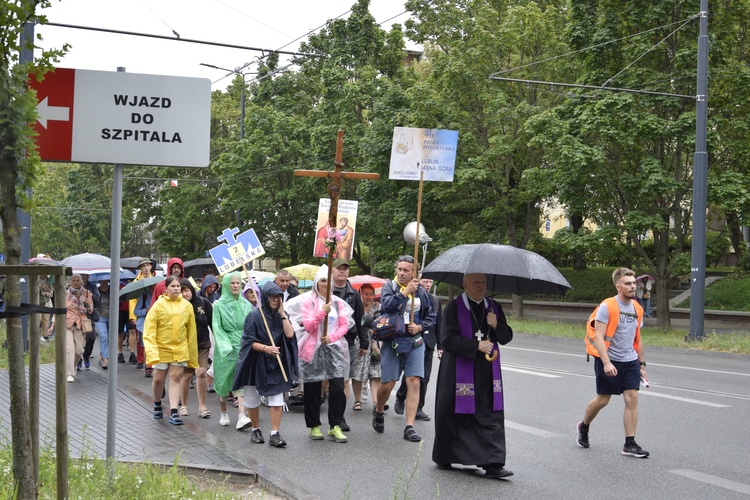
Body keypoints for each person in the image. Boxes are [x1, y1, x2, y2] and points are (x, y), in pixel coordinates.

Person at [432, 273, 513, 478]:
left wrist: (496, 325)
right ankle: (447, 455)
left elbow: (506, 337)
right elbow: (447, 339)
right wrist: (476, 345)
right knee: (454, 412)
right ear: (465, 284)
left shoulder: (494, 308)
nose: (481, 286)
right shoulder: (454, 307)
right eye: (476, 282)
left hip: (487, 371)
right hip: (459, 369)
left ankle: (493, 463)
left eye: (484, 282)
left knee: (490, 413)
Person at [577, 267, 649, 458]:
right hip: (609, 358)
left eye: (634, 283)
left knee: (632, 396)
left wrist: (642, 365)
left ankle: (630, 443)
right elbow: (599, 337)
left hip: (630, 359)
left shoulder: (638, 308)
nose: (633, 287)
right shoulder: (607, 306)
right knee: (603, 400)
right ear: (618, 286)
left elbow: (638, 338)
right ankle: (583, 426)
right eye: (628, 283)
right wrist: (607, 363)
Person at [286, 265, 354, 443]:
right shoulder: (309, 301)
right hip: (313, 349)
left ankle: (335, 426)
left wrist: (331, 337)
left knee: (338, 388)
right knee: (313, 388)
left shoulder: (338, 303)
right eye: (322, 280)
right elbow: (308, 326)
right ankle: (314, 425)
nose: (325, 284)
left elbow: (345, 325)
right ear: (316, 283)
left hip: (334, 348)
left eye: (327, 280)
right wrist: (321, 314)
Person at [373, 255, 435, 443]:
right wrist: (405, 292)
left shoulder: (422, 293)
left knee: (415, 382)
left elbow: (431, 316)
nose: (401, 273)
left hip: (415, 342)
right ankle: (379, 410)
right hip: (393, 340)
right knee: (388, 384)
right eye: (399, 269)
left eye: (405, 270)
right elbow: (387, 306)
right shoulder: (389, 287)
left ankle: (409, 427)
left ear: (413, 272)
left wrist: (420, 327)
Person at [233, 281, 299, 448]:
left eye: (279, 297)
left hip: (275, 363)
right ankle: (256, 430)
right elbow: (247, 342)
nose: (277, 300)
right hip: (255, 362)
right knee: (252, 398)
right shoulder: (254, 316)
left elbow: (290, 335)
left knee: (277, 397)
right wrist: (265, 348)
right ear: (266, 298)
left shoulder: (281, 315)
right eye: (273, 297)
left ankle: (275, 433)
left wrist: (283, 314)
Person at [143, 276, 198, 425]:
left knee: (175, 378)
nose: (176, 288)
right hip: (161, 348)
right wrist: (152, 351)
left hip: (180, 349)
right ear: (166, 289)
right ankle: (157, 402)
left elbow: (191, 331)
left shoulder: (187, 306)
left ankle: (174, 412)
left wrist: (192, 354)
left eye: (178, 286)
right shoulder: (158, 306)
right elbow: (149, 330)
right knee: (158, 379)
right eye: (172, 286)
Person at [394, 277, 442, 421]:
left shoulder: (435, 299)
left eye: (431, 282)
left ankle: (419, 408)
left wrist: (441, 346)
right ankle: (400, 397)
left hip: (429, 342)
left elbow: (439, 323)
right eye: (425, 281)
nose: (428, 285)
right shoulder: (413, 296)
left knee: (425, 377)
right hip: (414, 340)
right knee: (412, 375)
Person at [212, 271, 254, 429]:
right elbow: (217, 327)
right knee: (223, 383)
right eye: (233, 283)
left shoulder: (246, 304)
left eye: (238, 283)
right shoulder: (218, 305)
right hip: (226, 349)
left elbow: (252, 325)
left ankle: (242, 416)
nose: (236, 286)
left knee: (241, 382)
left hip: (243, 346)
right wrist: (225, 346)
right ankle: (223, 412)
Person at [330, 257, 368, 432]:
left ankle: (340, 416)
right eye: (339, 268)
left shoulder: (353, 294)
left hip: (348, 341)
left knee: (344, 380)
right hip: (328, 341)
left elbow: (360, 319)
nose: (342, 271)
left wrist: (364, 342)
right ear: (333, 270)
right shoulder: (326, 291)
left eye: (345, 269)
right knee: (327, 381)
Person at [179, 279, 213, 419]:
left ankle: (202, 406)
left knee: (201, 373)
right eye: (181, 291)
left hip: (203, 344)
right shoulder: (178, 306)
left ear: (191, 290)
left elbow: (212, 323)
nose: (185, 294)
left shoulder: (203, 302)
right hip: (186, 346)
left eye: (186, 290)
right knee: (186, 376)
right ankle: (184, 405)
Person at [50, 274, 93, 383]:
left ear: (81, 282)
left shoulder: (87, 293)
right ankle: (69, 373)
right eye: (73, 280)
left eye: (77, 280)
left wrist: (88, 306)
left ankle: (71, 367)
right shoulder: (65, 294)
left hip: (80, 324)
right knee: (70, 350)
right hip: (67, 324)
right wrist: (52, 326)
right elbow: (58, 310)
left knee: (79, 351)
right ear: (69, 282)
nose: (75, 282)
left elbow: (90, 310)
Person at [350, 283, 382, 409]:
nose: (368, 297)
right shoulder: (356, 307)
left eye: (371, 294)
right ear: (360, 294)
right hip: (360, 341)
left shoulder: (378, 307)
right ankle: (357, 400)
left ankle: (376, 402)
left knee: (375, 373)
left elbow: (384, 322)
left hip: (375, 342)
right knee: (358, 372)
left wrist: (376, 329)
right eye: (366, 294)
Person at [130, 257, 154, 374]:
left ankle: (150, 364)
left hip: (155, 321)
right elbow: (133, 304)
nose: (146, 268)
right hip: (143, 322)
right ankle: (147, 365)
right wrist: (134, 317)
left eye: (147, 265)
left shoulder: (155, 282)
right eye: (143, 266)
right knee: (144, 344)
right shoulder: (137, 283)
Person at [79, 273, 100, 370]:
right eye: (82, 275)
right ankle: (78, 358)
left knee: (91, 338)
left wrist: (88, 295)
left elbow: (97, 300)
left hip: (89, 315)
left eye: (86, 275)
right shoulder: (74, 286)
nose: (84, 277)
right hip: (77, 315)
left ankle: (86, 355)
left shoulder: (92, 286)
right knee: (79, 339)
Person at [93, 278, 112, 369]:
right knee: (103, 336)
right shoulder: (96, 291)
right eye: (102, 279)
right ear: (99, 281)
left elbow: (119, 303)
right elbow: (94, 304)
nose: (104, 281)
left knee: (109, 339)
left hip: (111, 318)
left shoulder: (113, 290)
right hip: (100, 317)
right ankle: (105, 359)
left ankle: (102, 354)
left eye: (106, 279)